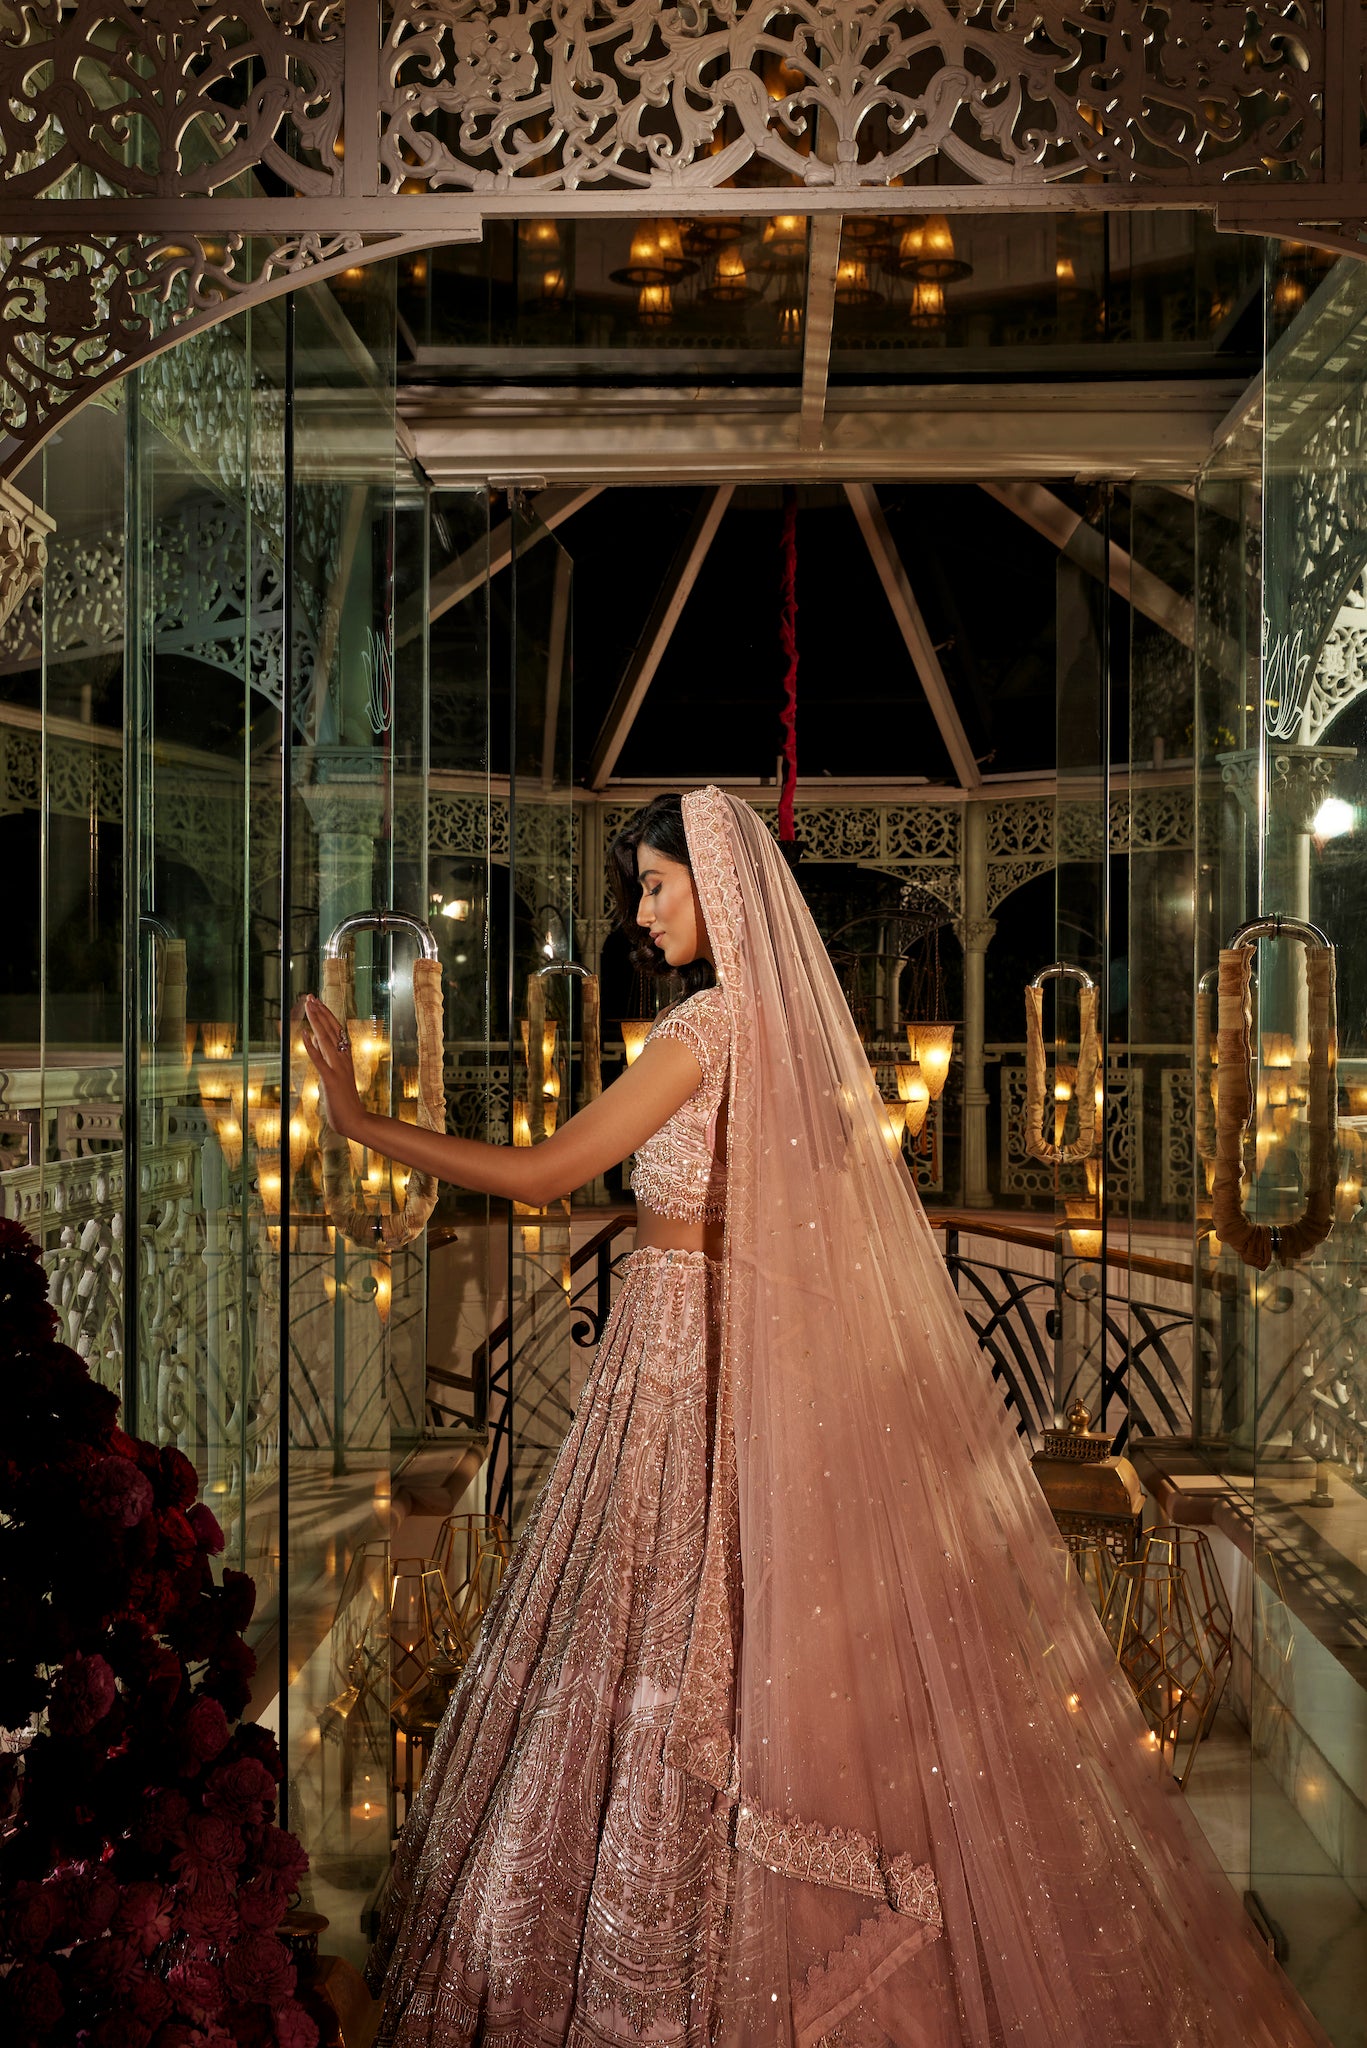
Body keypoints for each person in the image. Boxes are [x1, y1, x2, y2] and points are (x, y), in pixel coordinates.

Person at [303, 786, 1329, 2048]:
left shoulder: (708, 1027)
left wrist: (358, 1120)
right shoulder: (767, 1033)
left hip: (683, 1365)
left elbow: (542, 1172)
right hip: (691, 1353)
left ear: (718, 889)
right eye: (638, 889)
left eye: (658, 885)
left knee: (664, 1637)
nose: (643, 909)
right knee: (688, 1638)